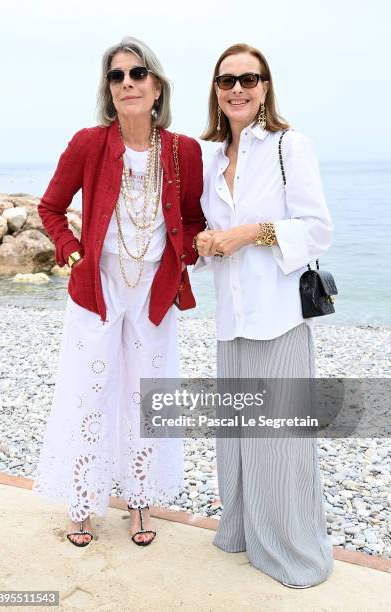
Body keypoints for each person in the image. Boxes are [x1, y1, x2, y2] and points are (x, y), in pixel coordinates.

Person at [32, 36, 205, 547]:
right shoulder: (89, 143)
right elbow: (50, 207)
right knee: (89, 394)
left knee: (146, 397)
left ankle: (139, 502)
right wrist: (72, 250)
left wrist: (188, 257)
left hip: (153, 292)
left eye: (137, 74)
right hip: (98, 288)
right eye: (116, 76)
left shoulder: (182, 151)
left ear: (157, 87)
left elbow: (192, 219)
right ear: (108, 91)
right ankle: (82, 503)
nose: (127, 82)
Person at [195, 43, 334, 587]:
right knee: (237, 434)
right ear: (216, 89)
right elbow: (212, 235)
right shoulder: (210, 156)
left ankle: (293, 552)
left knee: (280, 442)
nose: (237, 89)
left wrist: (251, 232)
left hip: (277, 316)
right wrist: (210, 242)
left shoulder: (288, 145)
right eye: (227, 81)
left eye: (248, 80)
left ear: (265, 86)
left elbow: (318, 228)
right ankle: (245, 533)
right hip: (231, 317)